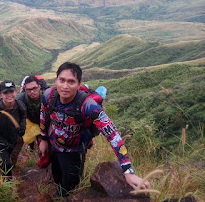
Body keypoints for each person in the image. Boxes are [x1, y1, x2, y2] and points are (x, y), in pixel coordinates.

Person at [39, 62, 151, 197]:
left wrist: (127, 170)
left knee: (69, 184)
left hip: (74, 152)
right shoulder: (48, 96)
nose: (65, 86)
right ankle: (58, 188)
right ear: (56, 80)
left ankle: (62, 196)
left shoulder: (87, 106)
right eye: (61, 80)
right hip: (53, 144)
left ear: (79, 84)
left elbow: (112, 133)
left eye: (71, 82)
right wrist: (43, 139)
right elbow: (43, 116)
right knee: (56, 174)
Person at [0, 80, 26, 180]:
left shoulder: (20, 105)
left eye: (11, 92)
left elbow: (23, 117)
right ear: (1, 94)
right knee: (5, 164)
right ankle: (8, 184)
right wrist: (4, 143)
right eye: (5, 93)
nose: (9, 95)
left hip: (13, 138)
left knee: (11, 160)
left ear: (16, 92)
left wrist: (22, 129)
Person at [17, 76, 43, 151]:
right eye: (29, 90)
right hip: (31, 121)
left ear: (39, 87)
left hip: (45, 123)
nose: (32, 92)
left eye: (34, 88)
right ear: (25, 90)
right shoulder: (21, 100)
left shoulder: (47, 97)